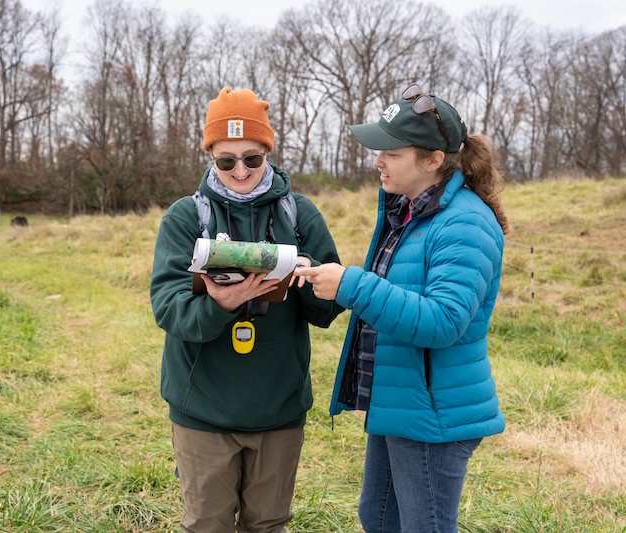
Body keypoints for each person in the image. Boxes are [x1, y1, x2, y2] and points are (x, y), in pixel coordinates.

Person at [295, 83, 509, 533]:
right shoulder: (409, 212)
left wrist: (351, 284)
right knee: (377, 517)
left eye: (391, 152)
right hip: (401, 401)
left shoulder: (464, 223)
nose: (377, 160)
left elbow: (443, 320)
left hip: (433, 413)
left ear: (433, 160)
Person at [150, 87, 344, 533]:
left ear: (268, 155)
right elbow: (168, 308)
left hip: (279, 409)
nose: (241, 170)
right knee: (207, 524)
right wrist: (217, 305)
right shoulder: (185, 218)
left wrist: (311, 275)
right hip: (203, 410)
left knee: (269, 523)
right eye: (227, 160)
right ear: (211, 157)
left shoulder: (300, 215)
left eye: (252, 159)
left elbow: (326, 310)